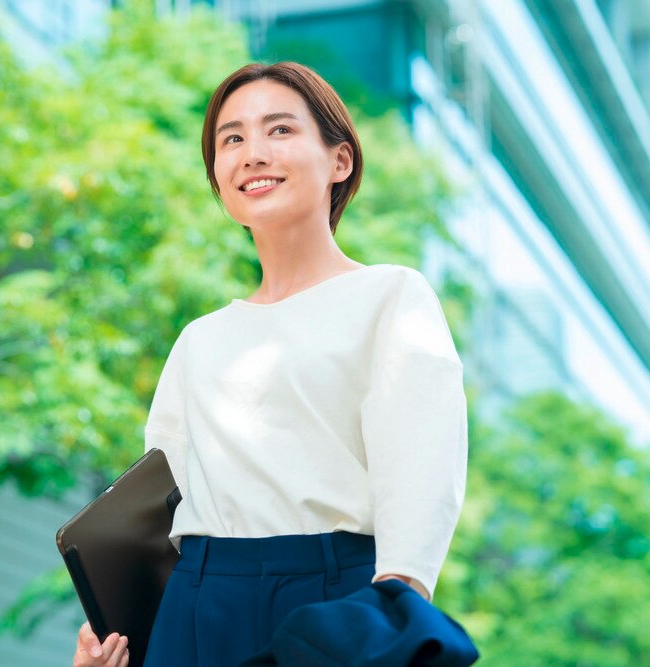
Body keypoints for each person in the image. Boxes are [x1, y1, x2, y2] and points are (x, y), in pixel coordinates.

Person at [72, 60, 468, 667]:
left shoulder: (391, 296)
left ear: (340, 161)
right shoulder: (199, 339)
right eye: (231, 139)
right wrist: (120, 640)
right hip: (195, 605)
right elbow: (158, 517)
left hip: (333, 600)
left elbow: (420, 470)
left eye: (279, 130)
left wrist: (398, 610)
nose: (252, 153)